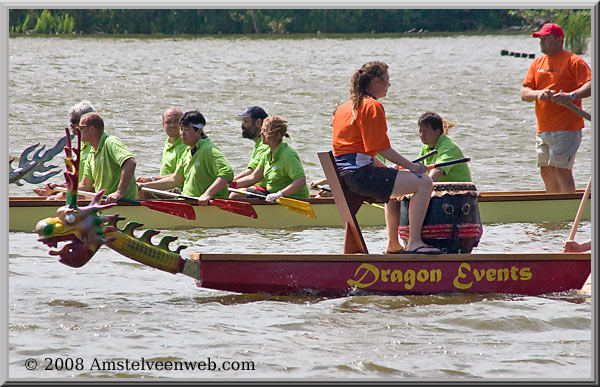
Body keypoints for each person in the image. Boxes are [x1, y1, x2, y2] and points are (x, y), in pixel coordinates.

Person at [331, 61, 439, 254]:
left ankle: (393, 245)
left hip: (346, 177)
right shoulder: (372, 106)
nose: (389, 85)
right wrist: (413, 167)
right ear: (376, 81)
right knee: (424, 183)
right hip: (360, 177)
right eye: (387, 80)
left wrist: (388, 170)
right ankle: (414, 242)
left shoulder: (343, 108)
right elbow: (380, 148)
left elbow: (361, 152)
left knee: (393, 184)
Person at [520, 22, 591, 193]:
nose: (541, 42)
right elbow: (524, 92)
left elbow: (590, 86)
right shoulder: (537, 64)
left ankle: (567, 207)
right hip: (543, 128)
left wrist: (570, 96)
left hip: (567, 127)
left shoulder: (574, 61)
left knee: (561, 169)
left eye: (546, 38)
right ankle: (553, 204)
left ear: (559, 40)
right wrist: (538, 94)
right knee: (546, 169)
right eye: (540, 39)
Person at [137, 110, 234, 206]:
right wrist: (144, 186)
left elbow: (227, 173)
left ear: (199, 131)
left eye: (186, 129)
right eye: (181, 128)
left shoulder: (209, 150)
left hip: (204, 204)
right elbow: (175, 179)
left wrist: (207, 194)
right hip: (186, 200)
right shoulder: (188, 151)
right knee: (139, 191)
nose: (182, 133)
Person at [228, 115, 309, 202]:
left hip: (292, 198)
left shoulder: (288, 156)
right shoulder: (267, 154)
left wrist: (280, 194)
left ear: (277, 135)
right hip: (271, 194)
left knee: (235, 196)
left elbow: (301, 181)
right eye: (262, 130)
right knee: (234, 191)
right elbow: (253, 177)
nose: (261, 133)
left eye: (265, 131)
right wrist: (230, 185)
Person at [77, 112, 138, 203]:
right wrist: (60, 188)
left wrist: (119, 193)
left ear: (92, 129)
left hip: (123, 202)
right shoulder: (92, 152)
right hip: (104, 202)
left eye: (81, 128)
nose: (78, 131)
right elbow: (85, 186)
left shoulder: (111, 142)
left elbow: (130, 162)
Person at [43, 100, 96, 200]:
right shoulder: (82, 145)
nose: (71, 124)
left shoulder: (95, 145)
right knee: (52, 195)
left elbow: (88, 186)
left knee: (52, 199)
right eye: (70, 121)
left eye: (74, 121)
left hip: (93, 193)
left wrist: (60, 191)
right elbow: (77, 181)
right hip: (82, 189)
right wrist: (58, 186)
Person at [136, 108, 187, 199]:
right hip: (164, 188)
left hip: (177, 191)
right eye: (168, 122)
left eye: (176, 121)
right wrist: (150, 179)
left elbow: (179, 177)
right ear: (163, 124)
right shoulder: (168, 141)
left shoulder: (186, 144)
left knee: (136, 191)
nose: (172, 125)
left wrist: (151, 181)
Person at [417, 112, 471, 182]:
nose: (422, 135)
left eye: (425, 131)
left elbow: (437, 170)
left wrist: (421, 186)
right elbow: (416, 169)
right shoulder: (425, 147)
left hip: (462, 190)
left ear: (437, 131)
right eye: (420, 131)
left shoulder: (449, 147)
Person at [228, 106, 270, 196]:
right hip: (259, 186)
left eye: (246, 122)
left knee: (234, 195)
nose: (242, 126)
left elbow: (251, 172)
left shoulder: (265, 145)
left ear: (258, 123)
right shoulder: (259, 144)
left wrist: (229, 185)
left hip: (270, 190)